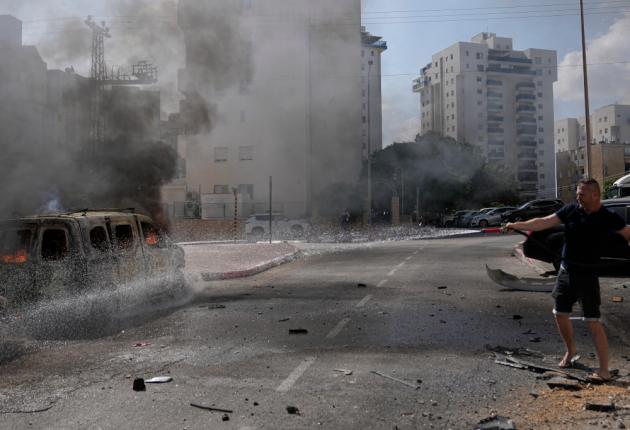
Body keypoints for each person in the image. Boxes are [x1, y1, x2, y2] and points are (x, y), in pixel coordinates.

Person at [505, 178, 630, 382]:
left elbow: (627, 233)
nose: (577, 197)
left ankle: (604, 370)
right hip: (566, 271)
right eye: (577, 193)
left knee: (593, 321)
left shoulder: (607, 217)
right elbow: (544, 222)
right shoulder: (571, 210)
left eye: (581, 194)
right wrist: (516, 224)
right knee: (560, 314)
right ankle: (570, 351)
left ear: (595, 195)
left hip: (588, 275)